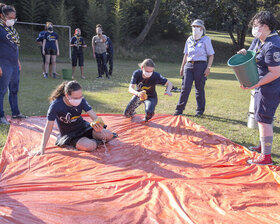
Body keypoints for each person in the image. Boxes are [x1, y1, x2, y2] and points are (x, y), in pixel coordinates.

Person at [238, 11, 280, 165]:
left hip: (270, 87)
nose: (254, 29)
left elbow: (275, 72)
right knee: (259, 116)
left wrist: (256, 83)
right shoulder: (260, 39)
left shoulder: (273, 45)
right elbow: (252, 54)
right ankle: (263, 146)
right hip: (262, 85)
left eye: (257, 26)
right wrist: (245, 53)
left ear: (266, 26)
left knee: (264, 119)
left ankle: (266, 157)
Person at [33, 81, 116, 155]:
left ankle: (92, 137)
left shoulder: (81, 100)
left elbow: (94, 116)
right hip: (70, 134)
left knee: (109, 135)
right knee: (91, 146)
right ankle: (88, 141)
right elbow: (48, 128)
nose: (79, 100)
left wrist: (100, 127)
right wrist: (42, 149)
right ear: (67, 95)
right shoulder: (56, 105)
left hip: (83, 127)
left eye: (81, 96)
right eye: (76, 98)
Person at [173, 19, 214, 116]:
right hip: (189, 65)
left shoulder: (206, 39)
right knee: (185, 88)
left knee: (199, 88)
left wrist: (208, 68)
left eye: (198, 26)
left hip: (201, 65)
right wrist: (182, 67)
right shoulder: (189, 39)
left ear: (202, 28)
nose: (195, 28)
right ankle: (179, 110)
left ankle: (199, 111)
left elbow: (211, 55)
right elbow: (186, 54)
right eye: (194, 26)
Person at [0, 4, 26, 125]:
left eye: (14, 17)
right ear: (2, 16)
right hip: (4, 64)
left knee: (14, 89)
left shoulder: (11, 30)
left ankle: (15, 112)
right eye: (10, 17)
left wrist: (18, 61)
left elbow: (14, 46)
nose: (12, 20)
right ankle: (1, 116)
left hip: (14, 64)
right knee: (2, 90)